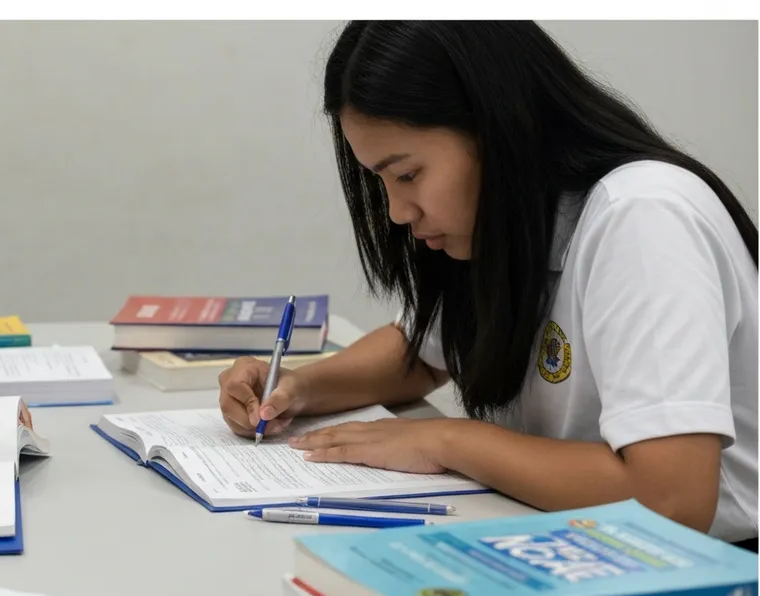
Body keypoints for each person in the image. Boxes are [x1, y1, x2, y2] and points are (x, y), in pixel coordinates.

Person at [218, 21, 758, 550]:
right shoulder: (509, 221)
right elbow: (425, 351)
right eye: (380, 182)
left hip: (717, 569)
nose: (398, 211)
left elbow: (672, 501)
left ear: (495, 127)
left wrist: (449, 439)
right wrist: (298, 389)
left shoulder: (642, 217)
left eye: (407, 176)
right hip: (575, 539)